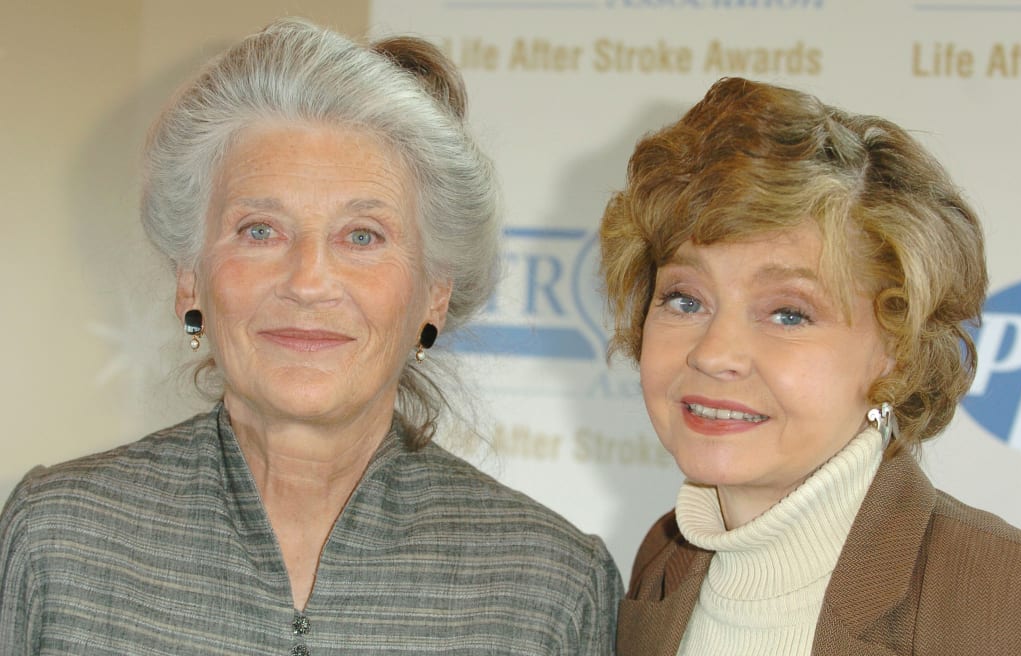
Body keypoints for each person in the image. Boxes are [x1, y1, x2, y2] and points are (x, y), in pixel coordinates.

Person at [0, 19, 621, 655]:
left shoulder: (549, 588)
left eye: (362, 236)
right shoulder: (58, 540)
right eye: (260, 230)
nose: (308, 282)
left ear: (434, 292)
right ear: (191, 280)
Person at [600, 77, 1021, 655]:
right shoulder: (662, 563)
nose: (713, 353)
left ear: (899, 347)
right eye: (685, 300)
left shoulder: (1020, 606)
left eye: (788, 313)